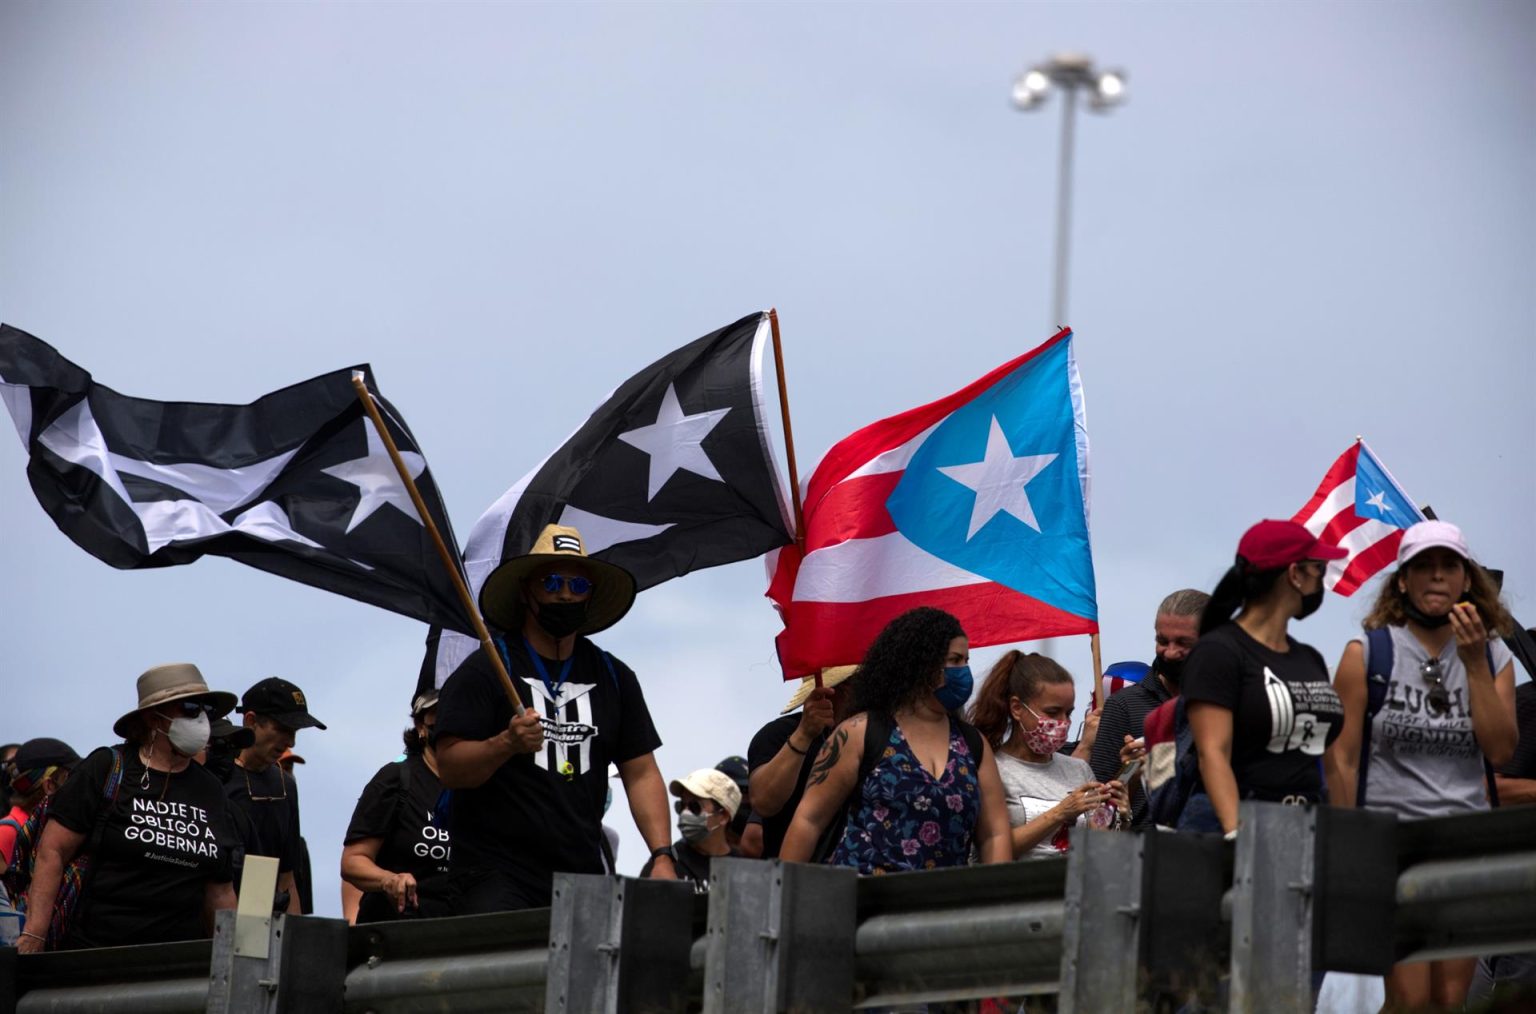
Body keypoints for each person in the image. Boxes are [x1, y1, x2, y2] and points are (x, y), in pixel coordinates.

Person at [1323, 521, 1517, 1010]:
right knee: (1409, 999)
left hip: (1463, 846)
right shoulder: (1367, 653)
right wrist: (1353, 848)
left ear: (1467, 579)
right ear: (1402, 580)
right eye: (1423, 567)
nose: (1437, 577)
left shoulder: (1494, 657)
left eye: (1448, 566)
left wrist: (1473, 663)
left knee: (1451, 1000)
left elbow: (1500, 750)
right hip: (1394, 843)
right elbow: (1340, 759)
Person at [434, 524, 676, 912]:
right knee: (504, 972)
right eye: (552, 582)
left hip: (580, 874)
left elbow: (641, 771)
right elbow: (449, 767)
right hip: (495, 874)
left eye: (578, 587)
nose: (565, 594)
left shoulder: (615, 676)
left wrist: (662, 855)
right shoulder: (489, 668)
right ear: (527, 591)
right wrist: (505, 744)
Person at [16, 664, 239, 953]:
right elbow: (52, 851)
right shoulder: (106, 768)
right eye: (189, 707)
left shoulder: (210, 790)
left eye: (206, 708)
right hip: (95, 955)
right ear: (152, 716)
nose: (200, 718)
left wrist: (233, 959)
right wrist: (35, 935)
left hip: (178, 964)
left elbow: (220, 890)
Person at [779, 607, 1011, 871]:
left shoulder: (973, 745)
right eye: (955, 660)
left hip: (946, 906)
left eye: (966, 661)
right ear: (921, 663)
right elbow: (809, 821)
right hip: (859, 903)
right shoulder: (859, 732)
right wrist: (783, 898)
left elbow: (995, 835)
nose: (965, 671)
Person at [1178, 520, 1347, 835]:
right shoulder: (1218, 651)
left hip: (1307, 823)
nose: (1322, 578)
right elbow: (1212, 752)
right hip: (1234, 825)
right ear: (1295, 574)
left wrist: (1344, 832)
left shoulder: (1310, 659)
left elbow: (1331, 760)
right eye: (1319, 567)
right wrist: (1236, 835)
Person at [968, 651, 1130, 857]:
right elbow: (988, 850)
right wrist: (1060, 813)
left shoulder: (1079, 770)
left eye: (1069, 713)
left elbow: (1099, 849)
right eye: (1052, 713)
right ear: (1017, 708)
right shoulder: (993, 769)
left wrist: (1120, 814)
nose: (1064, 722)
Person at [1089, 589, 1210, 825]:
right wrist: (1130, 771)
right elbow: (1098, 807)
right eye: (1162, 641)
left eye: (1183, 643)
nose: (1171, 652)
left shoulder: (1230, 703)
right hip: (1145, 851)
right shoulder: (1124, 705)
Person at [342, 691, 453, 922]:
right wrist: (388, 880)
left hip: (459, 931)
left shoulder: (478, 786)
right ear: (421, 725)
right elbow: (352, 861)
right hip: (397, 933)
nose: (450, 720)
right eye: (439, 713)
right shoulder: (395, 779)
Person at [224, 677, 326, 916]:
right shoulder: (216, 776)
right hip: (211, 924)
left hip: (263, 923)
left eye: (295, 731)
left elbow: (286, 880)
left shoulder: (286, 785)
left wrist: (295, 946)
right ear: (250, 721)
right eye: (282, 729)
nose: (290, 741)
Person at [746, 665, 858, 860]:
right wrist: (804, 734)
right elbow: (763, 801)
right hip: (798, 878)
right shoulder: (778, 734)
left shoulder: (877, 737)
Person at [638, 768, 740, 891]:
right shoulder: (666, 862)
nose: (685, 813)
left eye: (694, 806)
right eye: (681, 806)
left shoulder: (743, 870)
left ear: (723, 816)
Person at [0, 738, 80, 868]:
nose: (76, 784)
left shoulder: (48, 828)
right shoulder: (6, 834)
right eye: (69, 777)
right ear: (49, 786)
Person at [714, 756, 756, 857]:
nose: (748, 799)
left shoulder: (771, 850)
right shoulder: (688, 856)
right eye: (737, 791)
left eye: (749, 791)